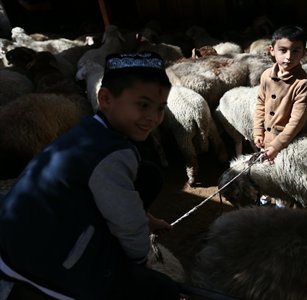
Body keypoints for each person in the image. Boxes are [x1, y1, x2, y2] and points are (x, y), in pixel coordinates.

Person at [0, 52, 180, 299]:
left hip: (18, 240)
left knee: (147, 174)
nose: (153, 117)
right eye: (143, 105)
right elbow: (128, 224)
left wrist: (145, 218)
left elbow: (121, 199)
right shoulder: (112, 155)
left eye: (160, 109)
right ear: (105, 98)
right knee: (163, 290)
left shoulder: (86, 132)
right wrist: (139, 261)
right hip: (39, 265)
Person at [253, 25, 307, 162]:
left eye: (295, 51)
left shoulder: (303, 83)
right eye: (283, 50)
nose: (288, 57)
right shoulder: (266, 75)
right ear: (272, 50)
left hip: (289, 144)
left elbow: (296, 122)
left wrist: (277, 145)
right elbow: (260, 103)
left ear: (304, 52)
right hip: (266, 140)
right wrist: (258, 131)